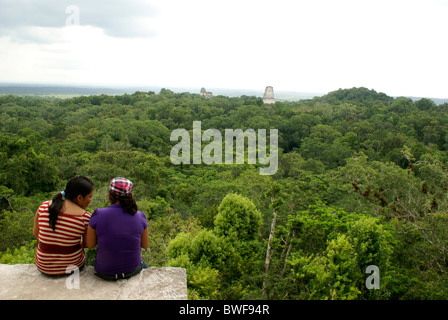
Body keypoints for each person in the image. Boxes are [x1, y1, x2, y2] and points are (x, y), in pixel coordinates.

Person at [85, 177, 149, 280]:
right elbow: (145, 245)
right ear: (131, 196)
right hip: (132, 270)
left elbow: (90, 244)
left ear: (109, 196)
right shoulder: (140, 216)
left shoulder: (98, 214)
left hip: (104, 272)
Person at [33, 175, 94, 276]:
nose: (91, 200)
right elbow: (88, 245)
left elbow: (36, 233)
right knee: (82, 252)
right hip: (71, 268)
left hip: (43, 266)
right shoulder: (85, 217)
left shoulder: (44, 206)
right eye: (90, 196)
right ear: (79, 197)